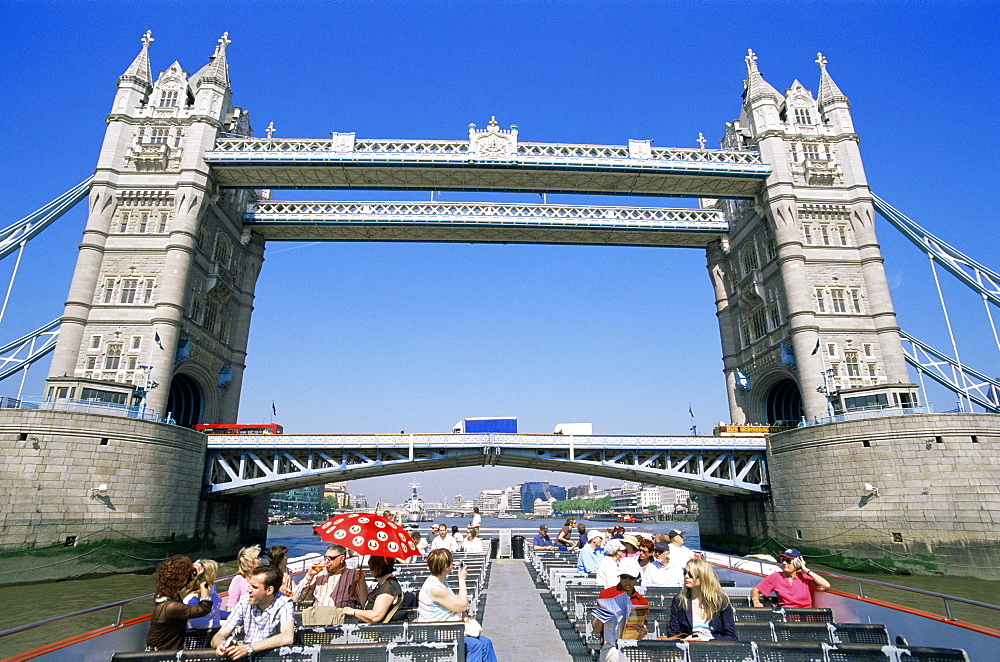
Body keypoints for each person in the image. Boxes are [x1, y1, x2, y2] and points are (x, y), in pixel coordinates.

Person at [418, 549, 498, 662]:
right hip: (436, 632)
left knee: (486, 643)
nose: (453, 564)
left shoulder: (442, 582)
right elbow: (463, 605)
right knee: (475, 645)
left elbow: (457, 605)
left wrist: (463, 613)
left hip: (448, 628)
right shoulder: (435, 588)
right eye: (451, 562)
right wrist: (461, 579)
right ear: (446, 566)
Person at [211, 564, 294, 660]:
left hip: (271, 657)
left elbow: (287, 637)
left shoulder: (284, 603)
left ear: (269, 590)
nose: (248, 590)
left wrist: (249, 648)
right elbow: (218, 636)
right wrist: (221, 645)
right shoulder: (244, 602)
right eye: (249, 585)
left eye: (254, 587)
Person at [145, 555, 213, 651]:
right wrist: (203, 580)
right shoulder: (171, 607)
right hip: (162, 655)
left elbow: (179, 584)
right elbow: (204, 608)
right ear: (181, 579)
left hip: (160, 650)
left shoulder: (161, 596)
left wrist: (190, 574)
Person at [591, 558, 648, 662]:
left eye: (631, 577)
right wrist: (602, 615)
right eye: (623, 576)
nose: (627, 580)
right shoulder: (606, 595)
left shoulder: (641, 602)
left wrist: (643, 632)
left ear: (636, 579)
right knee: (616, 656)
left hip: (632, 645)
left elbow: (641, 634)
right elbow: (596, 630)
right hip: (611, 645)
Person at [667, 559, 738, 641]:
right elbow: (673, 633)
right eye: (685, 573)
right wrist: (685, 640)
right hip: (689, 649)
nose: (686, 576)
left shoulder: (720, 601)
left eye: (691, 574)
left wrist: (705, 639)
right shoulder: (680, 600)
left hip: (716, 650)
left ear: (703, 577)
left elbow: (732, 637)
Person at [292, 544, 369, 608]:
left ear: (341, 558)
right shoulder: (319, 574)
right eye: (325, 558)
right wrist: (309, 576)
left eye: (330, 558)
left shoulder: (353, 575)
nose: (327, 561)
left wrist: (361, 582)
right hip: (319, 615)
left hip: (342, 616)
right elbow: (296, 598)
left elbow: (364, 603)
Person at [751, 548, 831, 608]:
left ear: (797, 563)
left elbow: (826, 586)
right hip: (785, 616)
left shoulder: (806, 578)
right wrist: (756, 601)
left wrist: (806, 570)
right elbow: (755, 590)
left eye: (788, 561)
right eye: (782, 560)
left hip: (805, 616)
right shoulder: (775, 577)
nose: (784, 563)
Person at [342, 556, 408, 623]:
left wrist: (353, 611)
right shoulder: (382, 584)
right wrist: (362, 582)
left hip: (388, 631)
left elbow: (375, 616)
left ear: (378, 568)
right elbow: (366, 604)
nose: (370, 569)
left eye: (370, 566)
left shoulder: (388, 587)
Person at [184, 559, 224, 634]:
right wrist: (224, 624)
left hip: (215, 633)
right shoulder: (192, 599)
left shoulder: (212, 594)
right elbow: (195, 622)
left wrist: (233, 615)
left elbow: (215, 612)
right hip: (201, 638)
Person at [224, 544, 260, 610]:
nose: (260, 559)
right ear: (250, 562)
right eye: (257, 558)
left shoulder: (260, 577)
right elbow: (232, 604)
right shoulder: (238, 580)